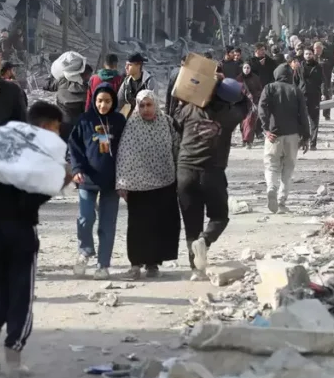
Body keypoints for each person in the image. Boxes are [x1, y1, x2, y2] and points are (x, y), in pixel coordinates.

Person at [0, 101, 68, 377]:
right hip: (19, 229)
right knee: (21, 292)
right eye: (55, 129)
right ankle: (14, 356)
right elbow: (31, 199)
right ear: (43, 126)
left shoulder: (1, 143)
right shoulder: (39, 152)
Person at [174, 78, 250, 279]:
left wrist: (201, 87)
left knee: (192, 224)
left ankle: (196, 270)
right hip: (212, 173)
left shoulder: (189, 109)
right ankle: (205, 240)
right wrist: (232, 88)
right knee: (219, 217)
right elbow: (246, 105)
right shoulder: (230, 115)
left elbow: (175, 119)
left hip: (185, 172)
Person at [116, 90, 180, 279]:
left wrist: (181, 175)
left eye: (149, 104)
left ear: (156, 104)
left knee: (159, 224)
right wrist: (121, 182)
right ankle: (135, 264)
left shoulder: (166, 122)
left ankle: (153, 264)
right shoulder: (132, 124)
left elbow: (177, 147)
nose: (146, 109)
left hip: (164, 180)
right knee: (137, 225)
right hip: (138, 184)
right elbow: (123, 155)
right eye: (142, 105)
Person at [68, 84, 126, 279]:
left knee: (107, 225)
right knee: (85, 218)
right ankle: (85, 250)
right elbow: (74, 147)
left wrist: (125, 178)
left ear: (113, 102)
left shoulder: (119, 121)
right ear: (94, 100)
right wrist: (76, 169)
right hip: (88, 179)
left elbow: (127, 150)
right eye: (100, 101)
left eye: (107, 101)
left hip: (112, 181)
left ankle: (103, 265)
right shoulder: (85, 120)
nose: (103, 105)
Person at [258, 65, 310, 213]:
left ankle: (271, 188)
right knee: (288, 169)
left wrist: (266, 129)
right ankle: (281, 201)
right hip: (293, 136)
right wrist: (306, 137)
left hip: (274, 135)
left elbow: (262, 108)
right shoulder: (296, 90)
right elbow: (303, 115)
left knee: (271, 165)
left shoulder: (269, 88)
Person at [299, 47, 324, 150]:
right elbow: (295, 80)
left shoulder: (318, 66)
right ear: (303, 55)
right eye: (306, 54)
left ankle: (313, 143)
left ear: (313, 55)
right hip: (302, 95)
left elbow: (322, 80)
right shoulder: (300, 66)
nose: (308, 56)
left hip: (314, 95)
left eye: (310, 54)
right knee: (301, 120)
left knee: (314, 120)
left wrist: (323, 92)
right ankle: (303, 141)